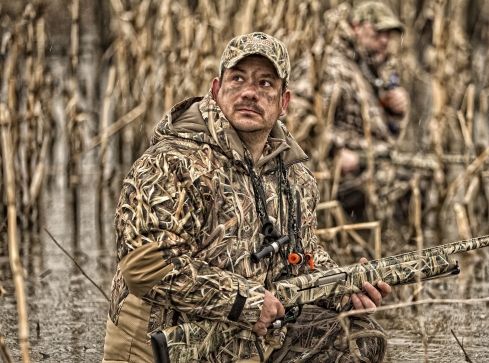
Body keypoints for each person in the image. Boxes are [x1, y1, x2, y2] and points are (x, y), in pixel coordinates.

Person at [101, 32, 391, 363]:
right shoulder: (172, 162)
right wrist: (245, 302)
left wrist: (342, 287)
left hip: (249, 343)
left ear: (284, 102)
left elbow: (301, 256)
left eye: (266, 83)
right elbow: (145, 267)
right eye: (238, 79)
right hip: (161, 348)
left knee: (356, 338)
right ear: (216, 90)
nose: (250, 92)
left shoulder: (295, 176)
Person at [288, 2, 411, 223]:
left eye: (388, 34)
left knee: (411, 178)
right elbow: (296, 120)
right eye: (378, 32)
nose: (385, 40)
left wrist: (396, 112)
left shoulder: (370, 68)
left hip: (372, 161)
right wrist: (334, 153)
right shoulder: (330, 66)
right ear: (356, 27)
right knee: (396, 184)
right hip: (336, 174)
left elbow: (381, 130)